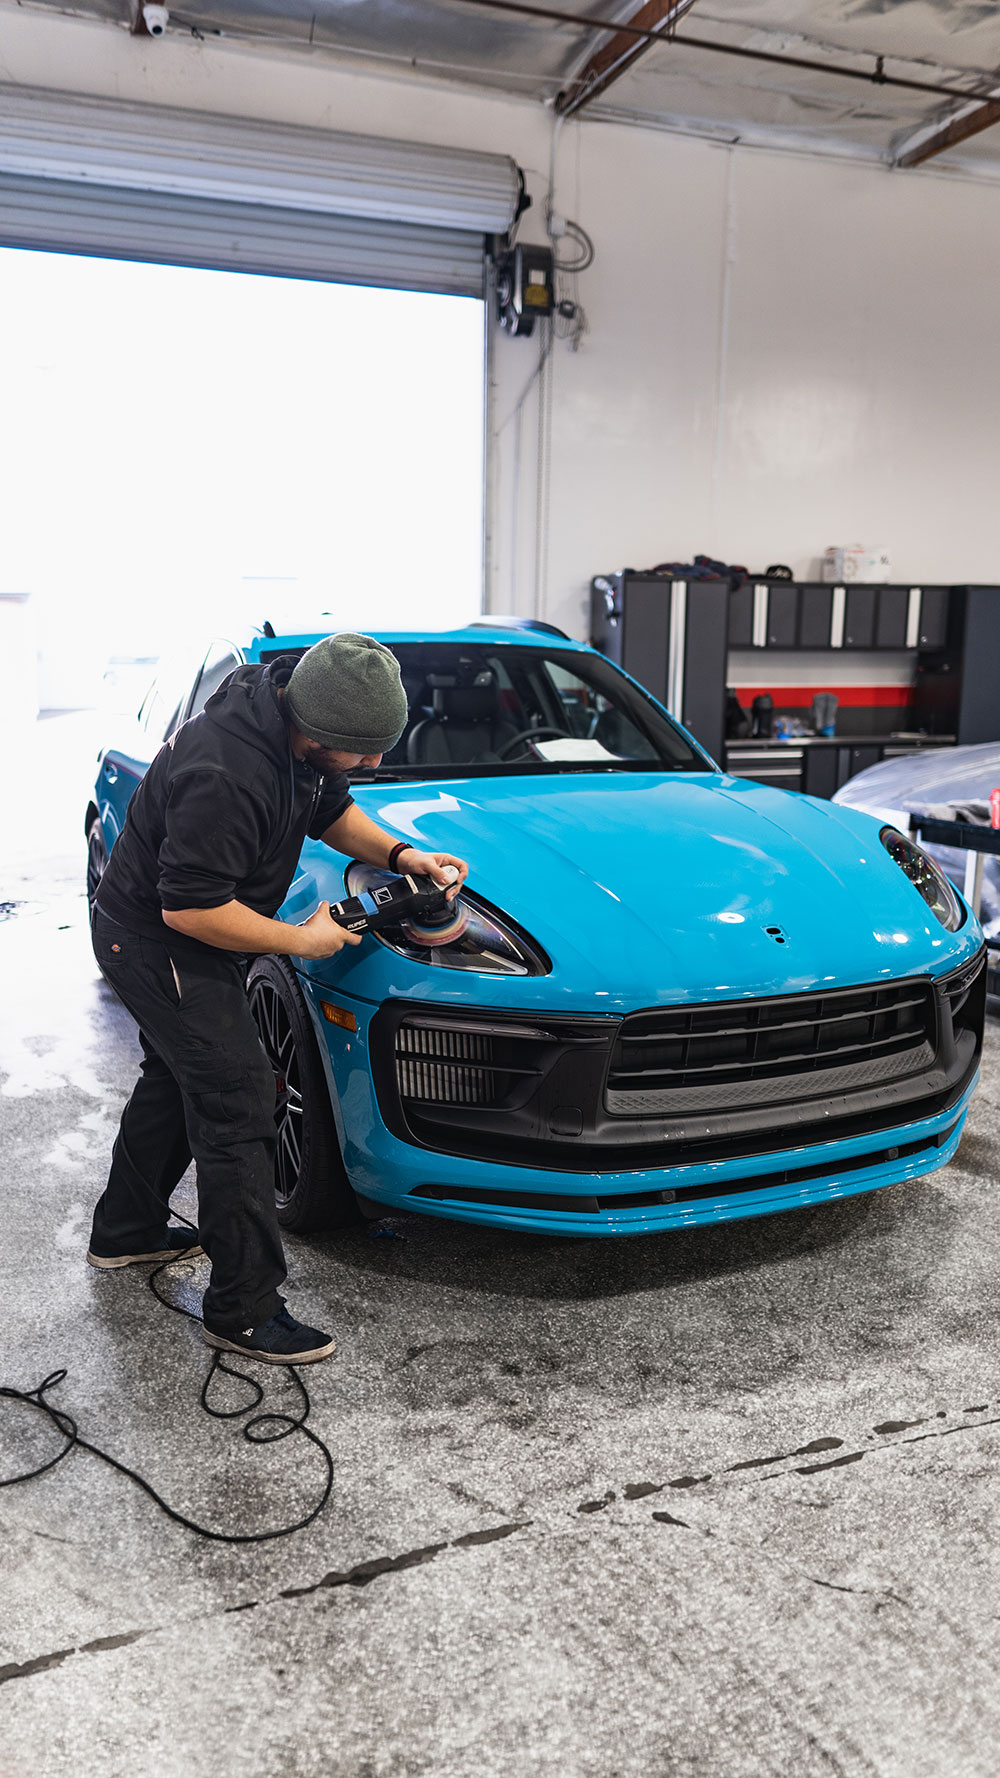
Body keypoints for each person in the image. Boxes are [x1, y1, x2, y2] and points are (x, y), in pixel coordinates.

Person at [87, 632, 467, 1364]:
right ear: (317, 730)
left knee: (177, 1076)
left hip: (189, 931)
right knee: (240, 1100)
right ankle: (244, 1309)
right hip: (156, 940)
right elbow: (189, 910)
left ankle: (126, 1232)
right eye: (360, 751)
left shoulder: (296, 734)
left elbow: (331, 809)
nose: (374, 763)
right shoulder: (226, 769)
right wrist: (304, 939)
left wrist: (401, 855)